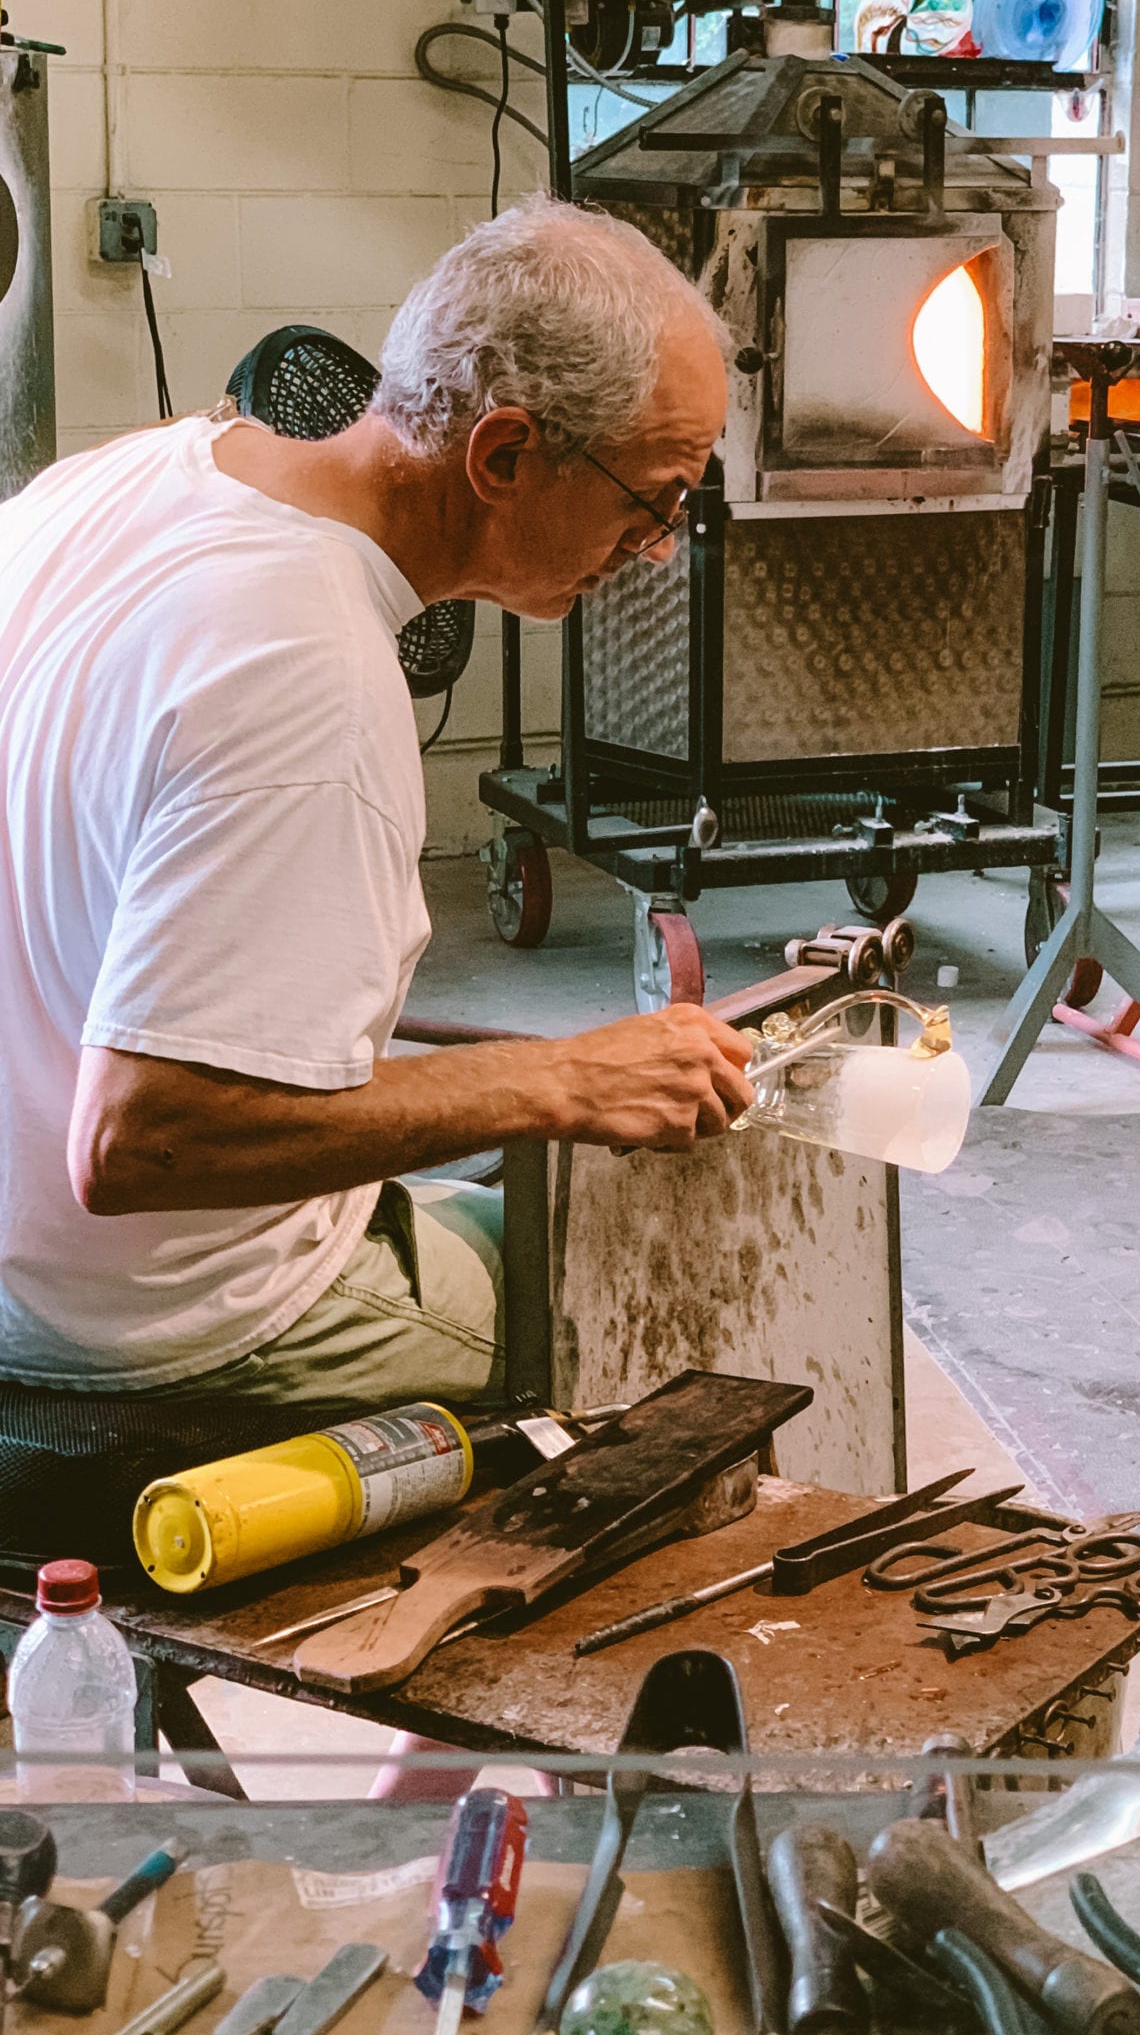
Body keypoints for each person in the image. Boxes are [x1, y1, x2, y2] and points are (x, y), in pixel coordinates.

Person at [0, 195, 752, 1408]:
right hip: (146, 1331)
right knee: (679, 1287)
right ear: (503, 455)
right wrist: (563, 1080)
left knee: (519, 1199)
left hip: (17, 1254)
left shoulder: (127, 478)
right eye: (654, 498)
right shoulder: (310, 673)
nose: (657, 546)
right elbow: (146, 1138)